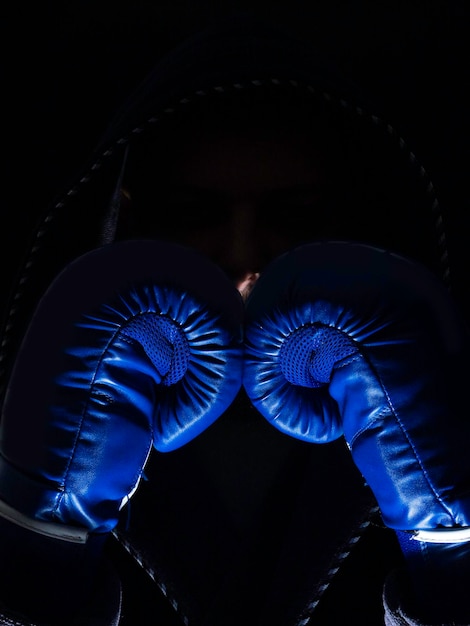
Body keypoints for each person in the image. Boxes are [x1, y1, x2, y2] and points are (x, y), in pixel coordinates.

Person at [0, 12, 469, 626]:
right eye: (193, 212)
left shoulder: (438, 408)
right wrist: (32, 549)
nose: (245, 259)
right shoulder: (33, 410)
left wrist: (456, 556)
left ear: (356, 229)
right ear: (126, 224)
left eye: (295, 215)